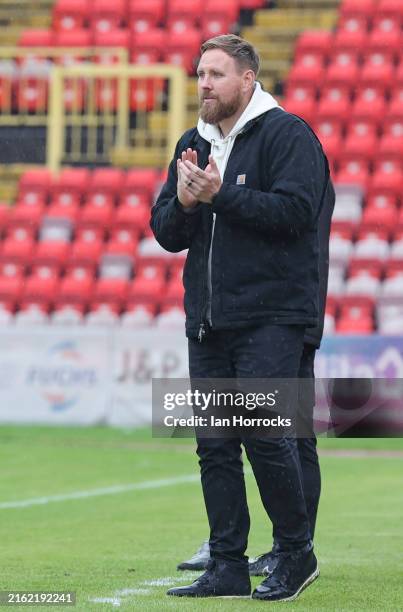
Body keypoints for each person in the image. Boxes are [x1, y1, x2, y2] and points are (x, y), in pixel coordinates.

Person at [150, 34, 330, 601]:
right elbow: (165, 232)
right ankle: (226, 562)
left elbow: (298, 214)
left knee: (272, 435)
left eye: (217, 74)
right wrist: (182, 202)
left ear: (248, 79)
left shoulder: (288, 134)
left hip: (274, 316)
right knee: (214, 443)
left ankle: (294, 553)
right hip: (207, 319)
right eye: (200, 73)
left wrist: (220, 195)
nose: (204, 84)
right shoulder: (192, 142)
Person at [176, 175, 335, 576]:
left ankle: (293, 547)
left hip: (287, 316)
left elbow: (301, 239)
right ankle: (229, 543)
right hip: (245, 315)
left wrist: (304, 321)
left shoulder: (292, 156)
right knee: (228, 434)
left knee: (289, 431)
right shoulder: (234, 151)